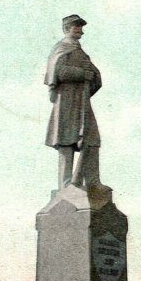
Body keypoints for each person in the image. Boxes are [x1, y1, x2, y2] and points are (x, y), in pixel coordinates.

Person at [44, 14, 109, 190]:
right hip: (67, 102)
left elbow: (96, 77)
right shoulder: (61, 49)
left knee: (92, 139)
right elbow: (57, 73)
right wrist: (82, 74)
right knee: (67, 141)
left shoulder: (81, 52)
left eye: (81, 27)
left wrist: (93, 75)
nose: (80, 30)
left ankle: (93, 182)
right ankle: (66, 185)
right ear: (66, 29)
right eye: (76, 27)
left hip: (82, 103)